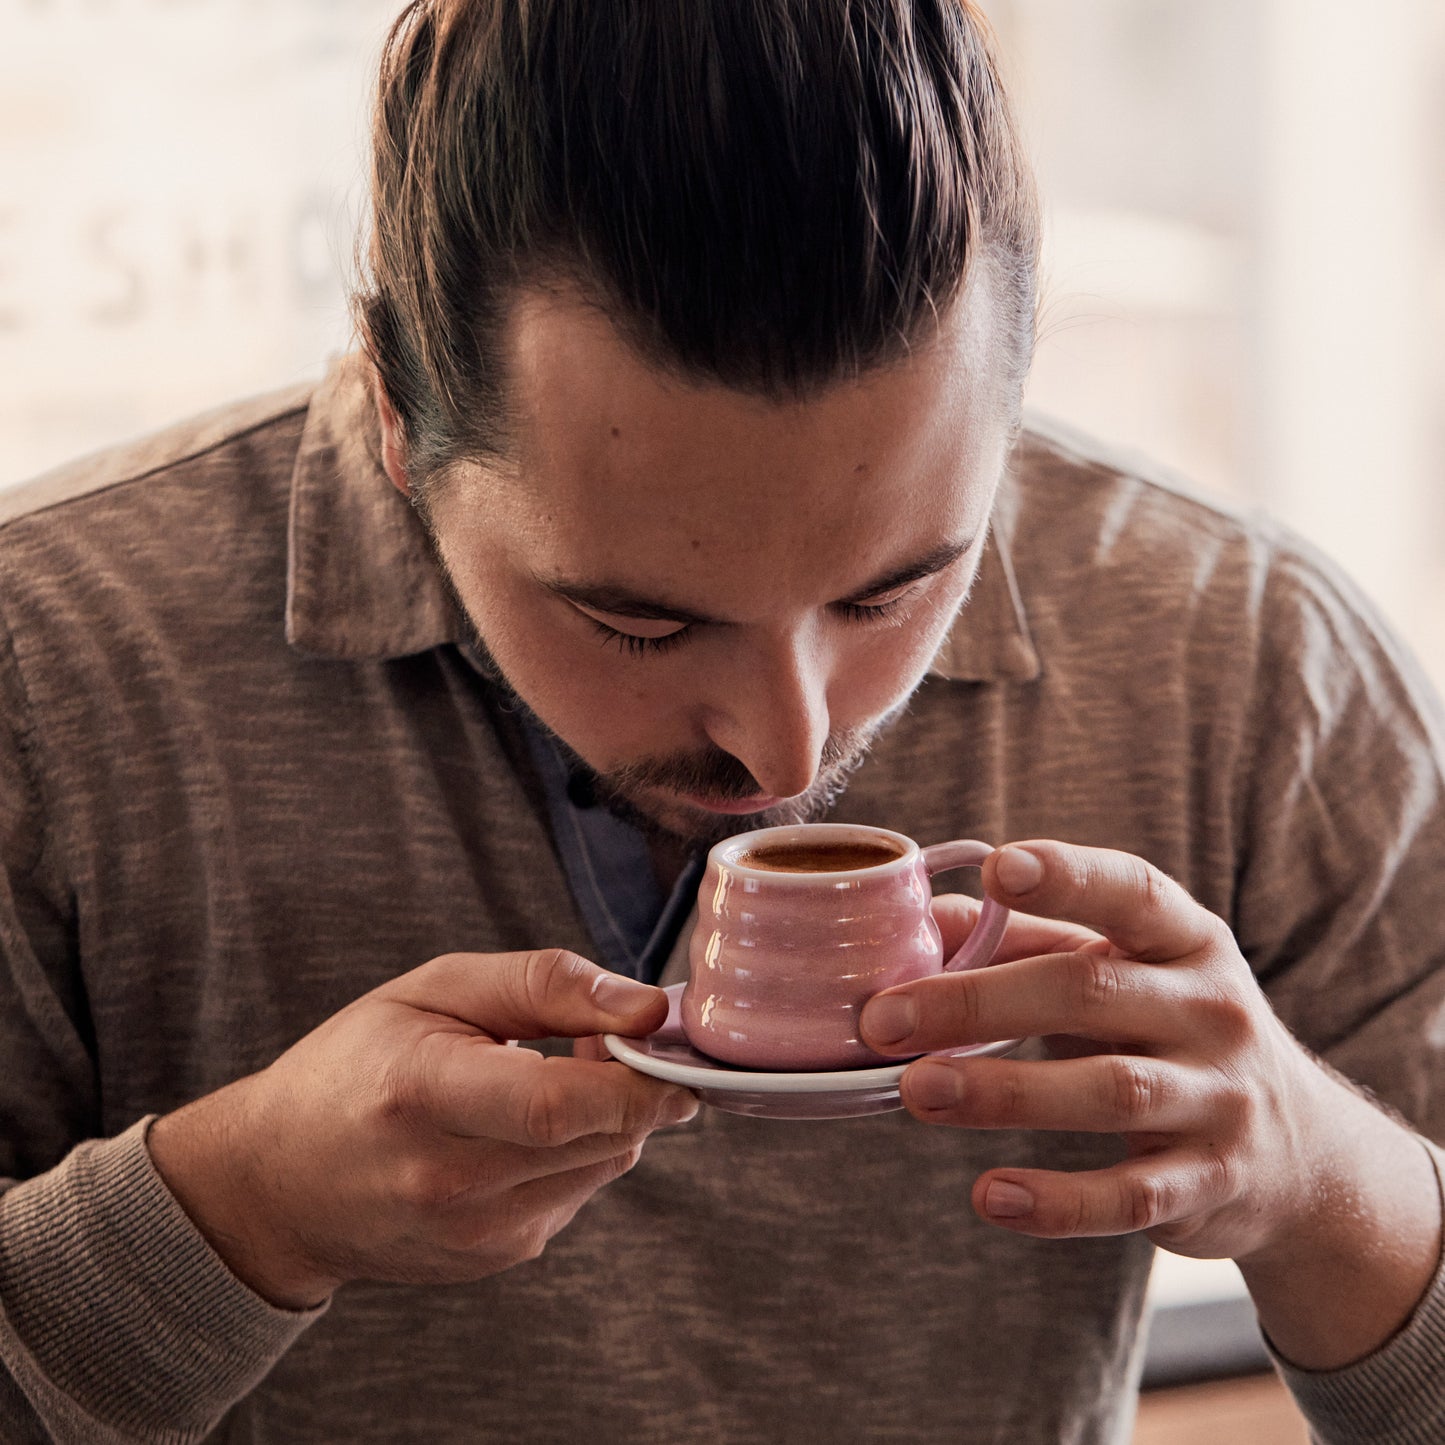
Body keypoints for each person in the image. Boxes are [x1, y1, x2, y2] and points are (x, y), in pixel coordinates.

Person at [1, 1, 1442, 1440]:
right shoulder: (49, 666)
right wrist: (229, 1213)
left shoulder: (1248, 656)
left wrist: (1319, 1179)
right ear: (394, 408)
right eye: (638, 622)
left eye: (896, 590)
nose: (792, 750)